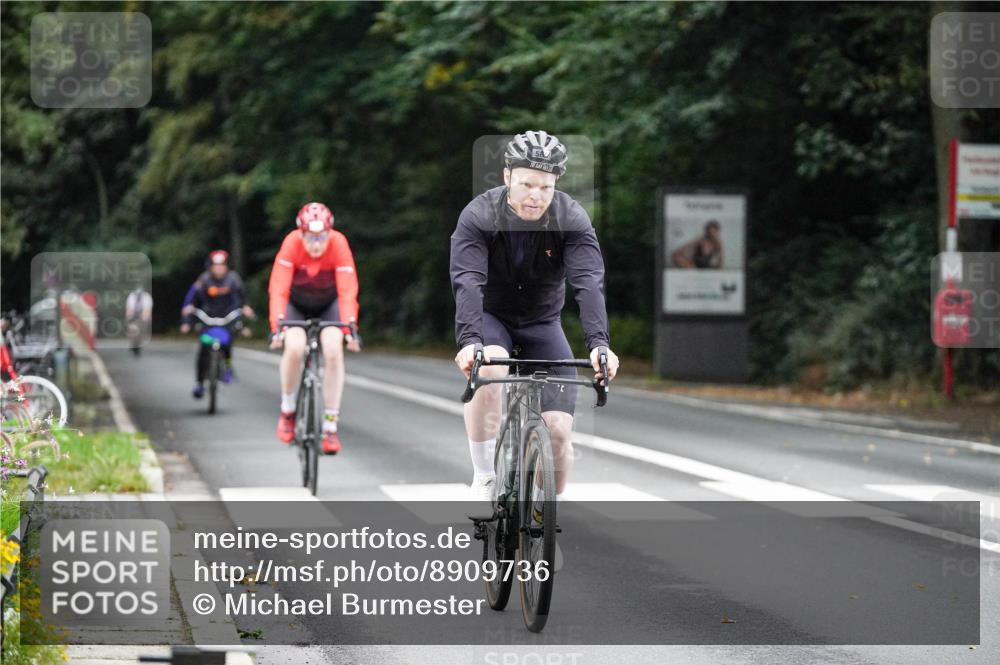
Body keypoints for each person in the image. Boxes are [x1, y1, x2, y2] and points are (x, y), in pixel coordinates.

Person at [450, 130, 620, 519]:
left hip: (542, 322)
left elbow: (588, 282)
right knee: (490, 366)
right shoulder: (479, 215)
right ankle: (484, 477)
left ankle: (544, 518)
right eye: (527, 183)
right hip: (491, 318)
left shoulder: (571, 218)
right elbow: (467, 281)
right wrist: (470, 340)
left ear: (555, 183)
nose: (535, 195)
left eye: (545, 187)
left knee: (558, 431)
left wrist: (599, 344)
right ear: (507, 176)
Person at [267, 202, 361, 455]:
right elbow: (278, 287)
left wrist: (350, 327)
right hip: (296, 304)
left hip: (328, 304)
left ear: (329, 233)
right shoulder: (291, 243)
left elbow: (347, 289)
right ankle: (288, 410)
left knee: (333, 351)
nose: (316, 244)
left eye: (321, 238)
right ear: (301, 233)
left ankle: (330, 427)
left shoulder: (339, 243)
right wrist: (277, 326)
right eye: (310, 237)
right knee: (295, 347)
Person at [180, 250, 254, 398]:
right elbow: (191, 298)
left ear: (226, 266)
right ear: (211, 266)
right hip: (208, 319)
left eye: (222, 265)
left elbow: (242, 296)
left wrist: (246, 307)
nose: (219, 268)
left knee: (227, 344)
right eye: (216, 265)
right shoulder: (204, 279)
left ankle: (227, 366)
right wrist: (187, 316)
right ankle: (200, 383)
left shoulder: (233, 279)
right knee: (203, 350)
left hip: (227, 318)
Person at [125, 285, 153, 356]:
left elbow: (147, 310)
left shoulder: (147, 297)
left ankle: (138, 344)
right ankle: (132, 343)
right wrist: (130, 320)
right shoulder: (131, 296)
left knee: (141, 330)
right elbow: (129, 309)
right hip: (133, 313)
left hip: (143, 313)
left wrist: (145, 319)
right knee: (132, 330)